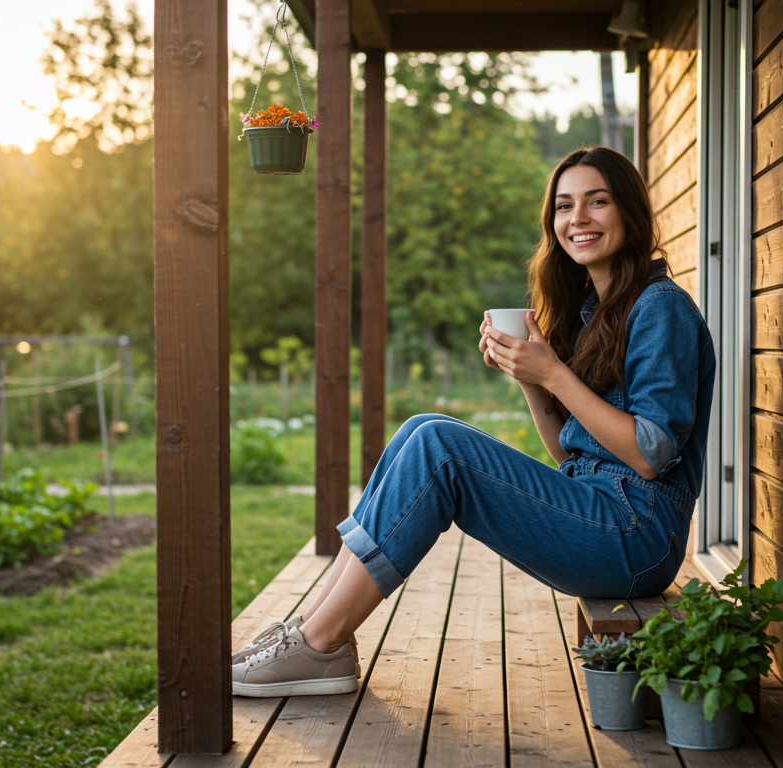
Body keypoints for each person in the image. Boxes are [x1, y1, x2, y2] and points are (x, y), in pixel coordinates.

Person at [230, 146, 716, 697]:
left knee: (439, 444)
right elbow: (570, 454)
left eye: (597, 202)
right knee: (421, 428)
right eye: (564, 206)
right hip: (600, 512)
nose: (577, 218)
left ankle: (320, 643)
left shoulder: (661, 307)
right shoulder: (595, 313)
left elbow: (649, 456)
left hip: (636, 534)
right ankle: (310, 630)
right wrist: (529, 376)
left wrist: (554, 373)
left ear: (629, 211)